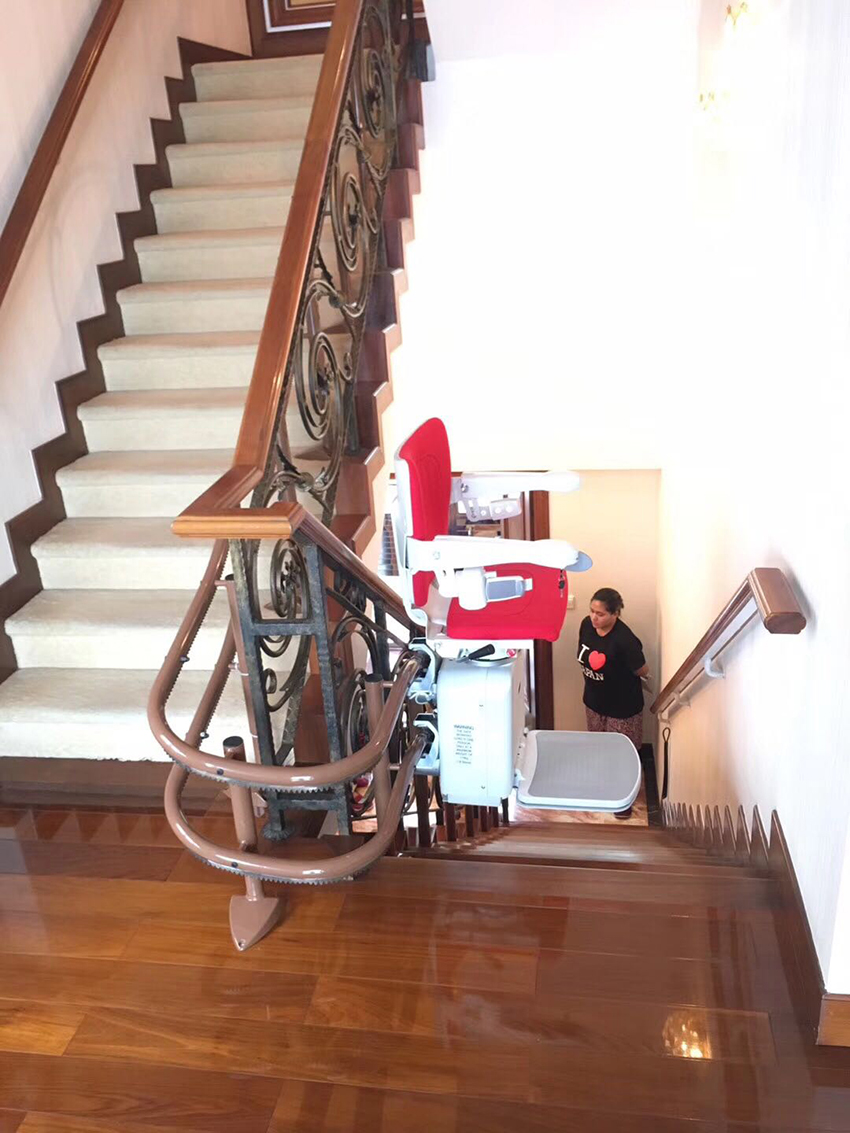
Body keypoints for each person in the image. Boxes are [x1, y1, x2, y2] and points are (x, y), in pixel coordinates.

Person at [577, 587, 650, 754]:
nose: (594, 617)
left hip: (622, 708)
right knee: (598, 750)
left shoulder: (625, 640)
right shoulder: (587, 625)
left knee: (621, 754)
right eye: (592, 611)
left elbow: (643, 670)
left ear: (615, 614)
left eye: (600, 614)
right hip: (594, 702)